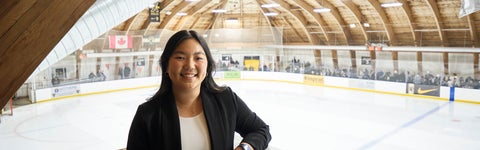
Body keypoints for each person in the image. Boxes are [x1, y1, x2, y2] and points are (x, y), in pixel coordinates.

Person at [127, 30, 271, 150]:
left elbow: (261, 130)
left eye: (198, 58)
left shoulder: (226, 100)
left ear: (207, 67)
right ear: (166, 66)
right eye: (180, 57)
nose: (190, 65)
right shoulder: (147, 115)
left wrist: (245, 148)